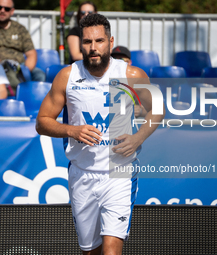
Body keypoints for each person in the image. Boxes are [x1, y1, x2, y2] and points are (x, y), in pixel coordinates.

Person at [36, 14, 164, 255]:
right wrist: (72, 130)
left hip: (119, 173)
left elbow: (158, 109)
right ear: (81, 44)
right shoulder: (67, 76)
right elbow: (42, 122)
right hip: (82, 174)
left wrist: (138, 138)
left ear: (110, 42)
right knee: (89, 251)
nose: (93, 48)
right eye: (87, 42)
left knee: (111, 251)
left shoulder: (131, 75)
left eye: (99, 41)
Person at [0, 0, 45, 95]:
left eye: (7, 8)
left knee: (40, 75)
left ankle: (36, 105)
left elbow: (31, 54)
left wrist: (24, 71)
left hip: (18, 66)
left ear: (12, 11)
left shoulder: (20, 28)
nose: (2, 10)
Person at [112, 45, 146, 118]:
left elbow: (152, 109)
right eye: (114, 59)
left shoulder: (137, 81)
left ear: (129, 62)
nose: (117, 63)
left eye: (121, 60)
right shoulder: (100, 79)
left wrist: (140, 111)